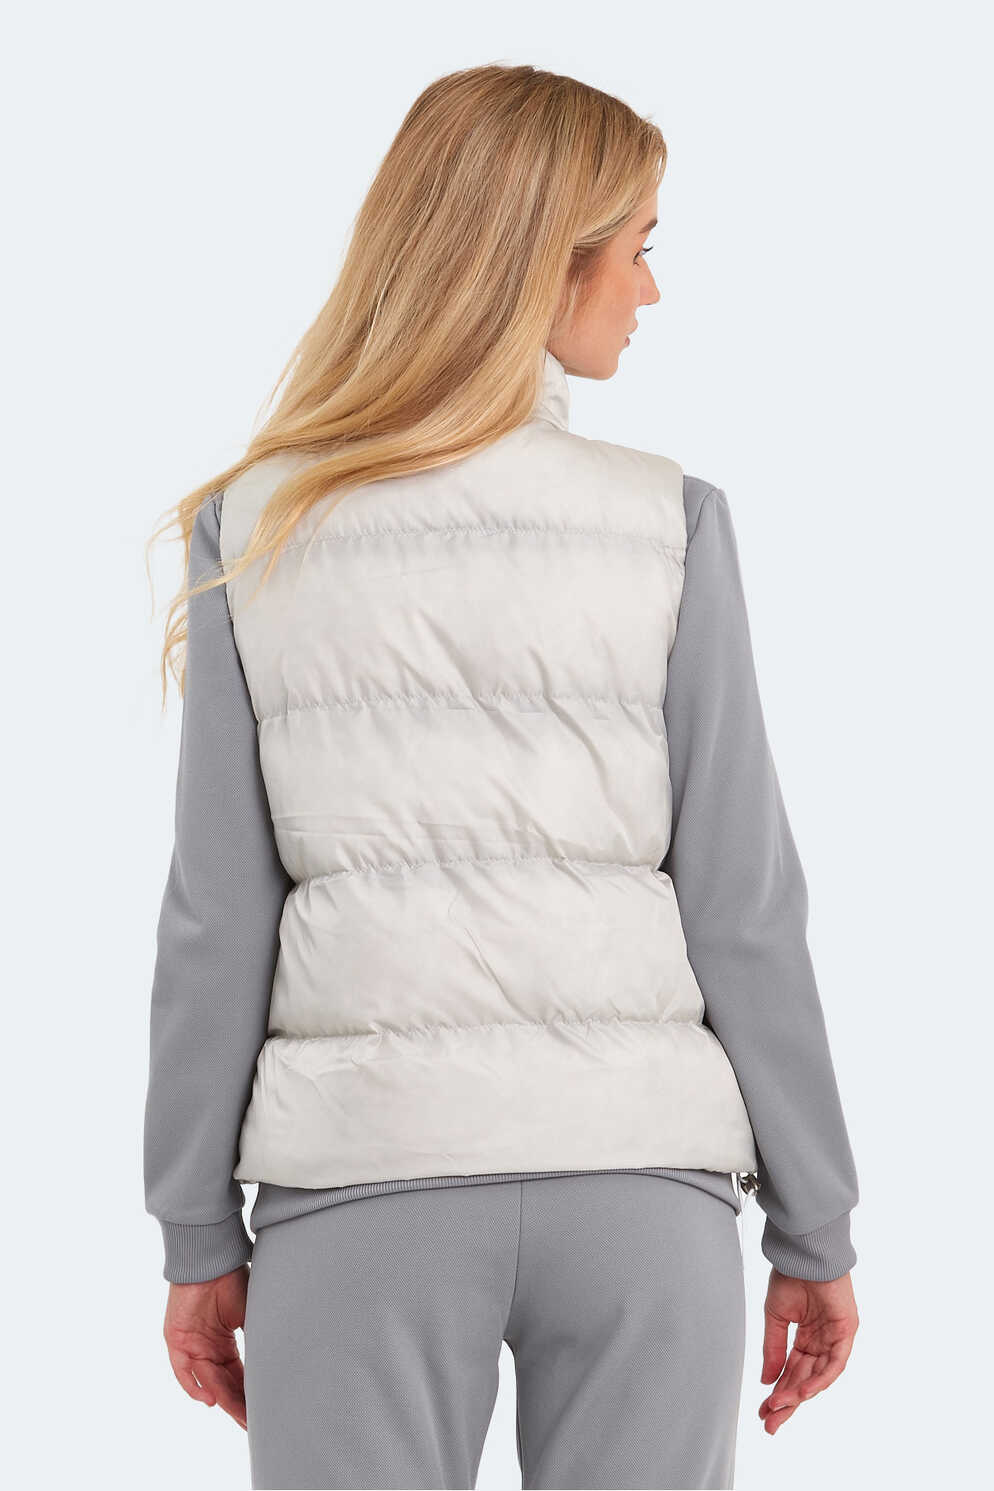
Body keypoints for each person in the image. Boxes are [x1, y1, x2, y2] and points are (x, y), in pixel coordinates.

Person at [143, 64, 860, 1491]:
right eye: (638, 247)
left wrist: (195, 1231)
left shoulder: (258, 524)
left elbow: (217, 915)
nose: (650, 291)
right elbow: (741, 906)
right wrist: (815, 1222)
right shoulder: (668, 522)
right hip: (641, 1181)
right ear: (548, 259)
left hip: (360, 1183)